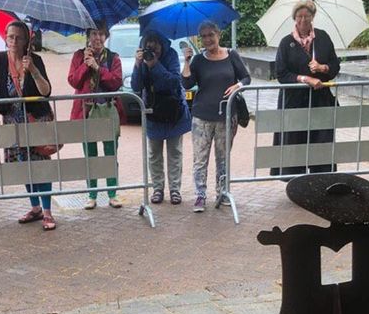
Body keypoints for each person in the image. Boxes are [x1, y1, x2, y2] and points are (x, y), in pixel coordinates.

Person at [0, 20, 57, 230]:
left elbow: (46, 91)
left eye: (19, 37)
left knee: (40, 167)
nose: (14, 41)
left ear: (26, 40)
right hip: (12, 121)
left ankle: (47, 211)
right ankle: (35, 207)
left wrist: (34, 71)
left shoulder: (34, 59)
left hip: (36, 120)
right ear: (5, 37)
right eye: (11, 37)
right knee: (23, 167)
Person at [182, 20, 250, 213]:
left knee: (223, 157)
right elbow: (187, 83)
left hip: (227, 116)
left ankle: (222, 192)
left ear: (218, 34)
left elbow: (246, 77)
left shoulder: (231, 55)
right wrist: (186, 61)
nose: (207, 39)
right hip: (202, 116)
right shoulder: (198, 60)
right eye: (203, 36)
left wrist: (238, 86)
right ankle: (200, 195)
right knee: (200, 158)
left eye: (211, 34)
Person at [272, 0, 340, 178]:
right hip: (294, 102)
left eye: (307, 16)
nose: (303, 20)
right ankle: (296, 181)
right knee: (295, 142)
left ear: (312, 17)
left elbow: (335, 65)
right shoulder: (286, 43)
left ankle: (321, 178)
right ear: (294, 18)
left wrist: (322, 68)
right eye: (300, 16)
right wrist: (305, 78)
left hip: (320, 100)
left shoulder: (323, 38)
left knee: (321, 140)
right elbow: (281, 73)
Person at [68, 23, 125, 209]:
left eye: (101, 34)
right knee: (90, 155)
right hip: (86, 112)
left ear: (106, 36)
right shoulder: (79, 55)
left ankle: (112, 193)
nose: (97, 38)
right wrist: (86, 65)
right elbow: (74, 81)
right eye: (94, 34)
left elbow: (116, 82)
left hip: (107, 110)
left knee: (110, 153)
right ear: (88, 36)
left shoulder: (113, 57)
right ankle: (91, 194)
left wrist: (98, 68)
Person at [132, 30, 191, 206]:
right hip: (153, 111)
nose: (153, 49)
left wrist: (155, 64)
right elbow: (136, 85)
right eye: (149, 45)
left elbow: (173, 81)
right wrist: (137, 64)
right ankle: (157, 188)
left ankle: (175, 190)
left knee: (175, 152)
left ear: (161, 43)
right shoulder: (143, 58)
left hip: (173, 111)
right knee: (154, 154)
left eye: (155, 44)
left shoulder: (171, 55)